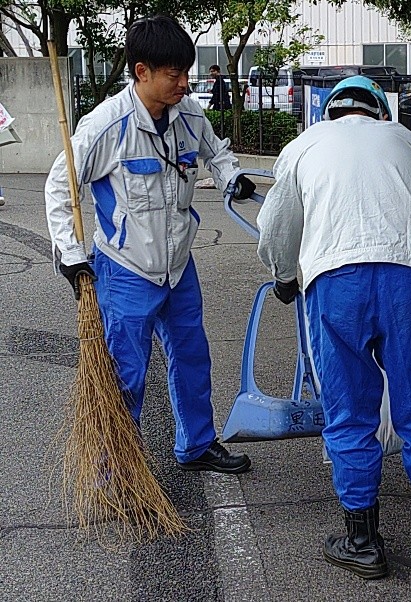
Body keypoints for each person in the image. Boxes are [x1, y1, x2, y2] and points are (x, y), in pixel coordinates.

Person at [256, 76, 411, 583]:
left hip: (337, 283)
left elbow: (277, 227)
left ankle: (363, 542)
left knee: (349, 411)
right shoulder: (409, 143)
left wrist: (285, 276)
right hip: (409, 282)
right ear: (378, 111)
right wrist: (410, 260)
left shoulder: (303, 146)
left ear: (330, 113)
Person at [44, 14, 256, 475]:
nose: (184, 84)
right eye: (173, 75)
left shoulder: (189, 115)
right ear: (142, 71)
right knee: (124, 374)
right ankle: (116, 469)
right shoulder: (106, 126)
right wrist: (71, 254)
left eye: (186, 73)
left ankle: (198, 444)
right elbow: (60, 188)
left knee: (193, 357)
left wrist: (231, 176)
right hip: (125, 271)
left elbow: (214, 152)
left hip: (178, 268)